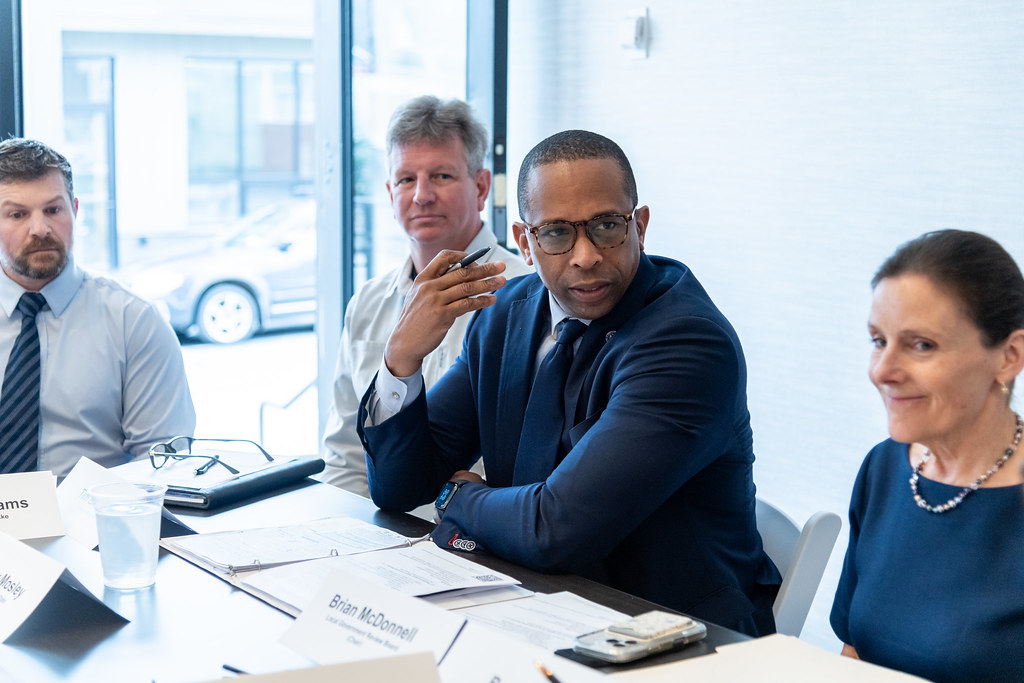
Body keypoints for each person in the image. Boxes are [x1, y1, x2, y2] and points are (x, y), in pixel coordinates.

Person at [357, 129, 780, 636]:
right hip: (527, 609)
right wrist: (401, 359)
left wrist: (454, 500)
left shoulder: (688, 344)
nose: (585, 255)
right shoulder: (506, 314)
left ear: (639, 226)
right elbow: (398, 487)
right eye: (556, 232)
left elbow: (553, 530)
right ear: (525, 243)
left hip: (671, 635)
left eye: (606, 225)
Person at [830, 230, 1024, 682]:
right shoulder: (884, 468)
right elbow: (855, 654)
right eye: (879, 340)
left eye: (922, 345)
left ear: (1009, 356)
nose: (883, 371)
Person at [319, 96, 531, 496]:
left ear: (482, 187)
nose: (421, 195)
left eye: (442, 176)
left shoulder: (527, 294)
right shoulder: (367, 302)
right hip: (377, 534)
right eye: (405, 179)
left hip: (480, 536)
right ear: (389, 191)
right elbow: (344, 459)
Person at [0, 138, 195, 476]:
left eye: (53, 210)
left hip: (94, 522)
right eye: (18, 214)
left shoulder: (133, 322)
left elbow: (163, 464)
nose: (40, 229)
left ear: (74, 211)